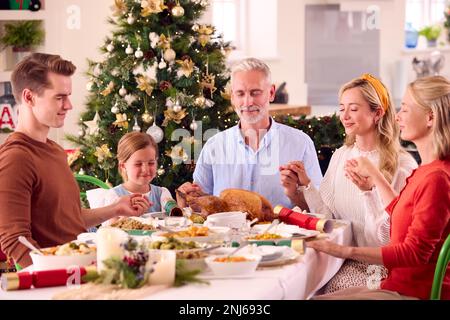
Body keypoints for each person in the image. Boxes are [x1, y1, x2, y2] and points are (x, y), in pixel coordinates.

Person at [0, 53, 149, 268]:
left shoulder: (55, 151)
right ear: (29, 97)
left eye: (68, 96)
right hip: (62, 280)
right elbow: (15, 241)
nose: (69, 105)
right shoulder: (16, 158)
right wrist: (56, 280)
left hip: (84, 267)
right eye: (59, 97)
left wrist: (116, 209)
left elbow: (68, 219)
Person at [309, 75, 450, 300]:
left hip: (413, 292)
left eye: (404, 108)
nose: (396, 116)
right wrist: (371, 185)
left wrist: (347, 251)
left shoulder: (436, 177)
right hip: (398, 284)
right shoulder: (427, 170)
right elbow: (400, 215)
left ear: (430, 117)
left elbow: (415, 253)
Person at [286, 74, 417, 293]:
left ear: (377, 113)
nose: (344, 116)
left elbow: (390, 239)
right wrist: (306, 184)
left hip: (381, 269)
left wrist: (369, 193)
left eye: (354, 109)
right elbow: (328, 217)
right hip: (343, 260)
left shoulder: (402, 165)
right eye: (342, 108)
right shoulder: (340, 156)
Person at [177, 57, 322, 210]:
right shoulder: (214, 146)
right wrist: (188, 198)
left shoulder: (300, 143)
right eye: (240, 94)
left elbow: (319, 208)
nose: (248, 102)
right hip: (226, 233)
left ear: (271, 93)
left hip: (282, 233)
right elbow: (199, 205)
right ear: (232, 97)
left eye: (255, 92)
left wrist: (295, 194)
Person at [101, 132, 176, 225]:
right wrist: (127, 216)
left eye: (151, 163)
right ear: (123, 166)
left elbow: (174, 224)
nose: (145, 169)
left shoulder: (162, 194)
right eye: (138, 164)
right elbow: (110, 232)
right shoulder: (114, 196)